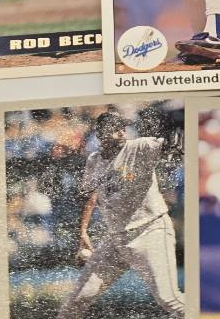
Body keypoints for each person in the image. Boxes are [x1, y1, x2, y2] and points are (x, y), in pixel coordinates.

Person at [58, 111, 184, 317]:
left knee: (170, 299)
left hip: (150, 231)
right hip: (116, 241)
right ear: (100, 134)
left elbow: (171, 144)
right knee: (76, 301)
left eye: (122, 127)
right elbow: (91, 195)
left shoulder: (140, 146)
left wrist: (176, 143)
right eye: (115, 128)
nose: (121, 132)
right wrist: (83, 232)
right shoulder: (94, 160)